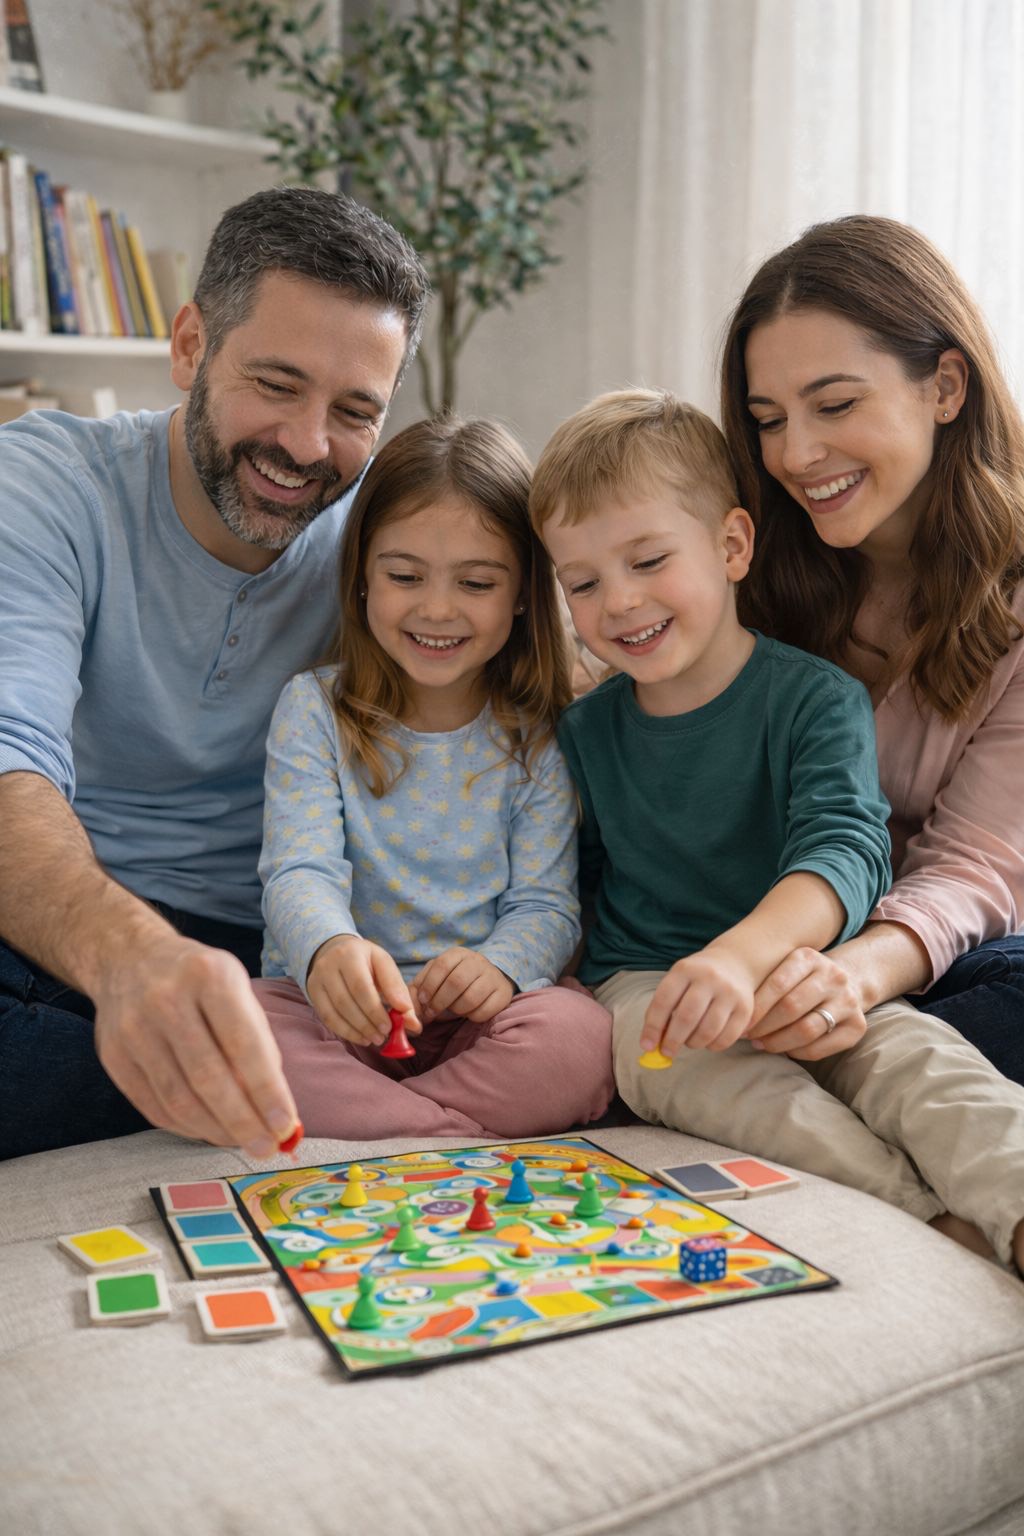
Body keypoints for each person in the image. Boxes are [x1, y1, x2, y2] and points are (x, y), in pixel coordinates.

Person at [531, 388, 1024, 1273]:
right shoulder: (583, 732)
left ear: (730, 546)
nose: (620, 602)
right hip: (651, 986)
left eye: (648, 561)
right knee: (729, 1090)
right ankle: (926, 1218)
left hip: (802, 968)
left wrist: (742, 959)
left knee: (921, 1064)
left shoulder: (813, 698)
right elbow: (574, 884)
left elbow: (846, 851)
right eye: (584, 582)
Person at [0, 185, 430, 1161]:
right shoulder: (41, 486)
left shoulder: (387, 552)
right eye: (276, 385)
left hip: (263, 959)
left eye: (354, 411)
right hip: (52, 919)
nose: (308, 447)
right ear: (190, 344)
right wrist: (131, 959)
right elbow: (6, 758)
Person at [719, 214, 1024, 1084]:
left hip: (953, 948)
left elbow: (975, 870)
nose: (796, 453)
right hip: (790, 930)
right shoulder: (754, 562)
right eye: (768, 418)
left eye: (836, 404)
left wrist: (850, 980)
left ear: (946, 387)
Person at [252, 415, 614, 1139]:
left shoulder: (536, 731)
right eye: (404, 576)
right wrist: (331, 950)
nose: (437, 608)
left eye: (476, 582)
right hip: (336, 1013)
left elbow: (546, 906)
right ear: (361, 578)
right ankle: (444, 1135)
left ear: (520, 593)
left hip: (478, 1023)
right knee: (243, 1027)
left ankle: (392, 1131)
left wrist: (501, 970)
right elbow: (298, 871)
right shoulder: (313, 710)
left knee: (580, 1036)